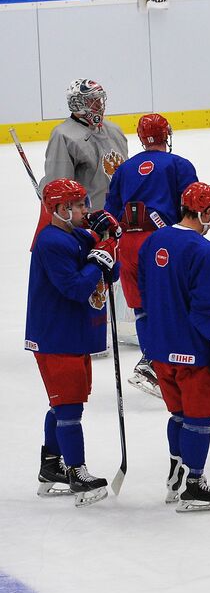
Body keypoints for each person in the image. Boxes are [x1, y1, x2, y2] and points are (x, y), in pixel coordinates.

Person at [139, 182, 210, 513]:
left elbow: (143, 294)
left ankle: (177, 475)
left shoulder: (153, 241)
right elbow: (204, 309)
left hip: (159, 349)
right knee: (199, 419)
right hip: (193, 351)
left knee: (178, 414)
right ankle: (194, 485)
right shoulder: (206, 252)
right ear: (206, 212)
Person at [28, 178, 118, 506]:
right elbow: (77, 288)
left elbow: (113, 273)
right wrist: (99, 257)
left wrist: (109, 240)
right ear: (61, 209)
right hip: (55, 336)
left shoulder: (79, 235)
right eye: (79, 205)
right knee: (68, 407)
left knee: (66, 401)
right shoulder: (50, 242)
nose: (86, 209)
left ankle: (51, 466)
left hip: (74, 333)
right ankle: (76, 472)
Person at [102, 113, 197, 397]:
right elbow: (192, 206)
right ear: (166, 135)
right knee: (171, 303)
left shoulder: (124, 169)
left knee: (142, 307)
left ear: (142, 138)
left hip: (128, 244)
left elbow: (110, 212)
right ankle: (160, 363)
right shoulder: (179, 164)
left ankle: (151, 358)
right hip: (162, 243)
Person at [40, 79, 130, 348]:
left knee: (119, 271)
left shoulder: (114, 130)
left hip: (114, 217)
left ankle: (124, 327)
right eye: (92, 100)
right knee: (91, 277)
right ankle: (90, 332)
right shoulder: (64, 135)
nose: (98, 105)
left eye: (100, 99)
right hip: (86, 221)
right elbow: (59, 184)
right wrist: (77, 218)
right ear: (77, 104)